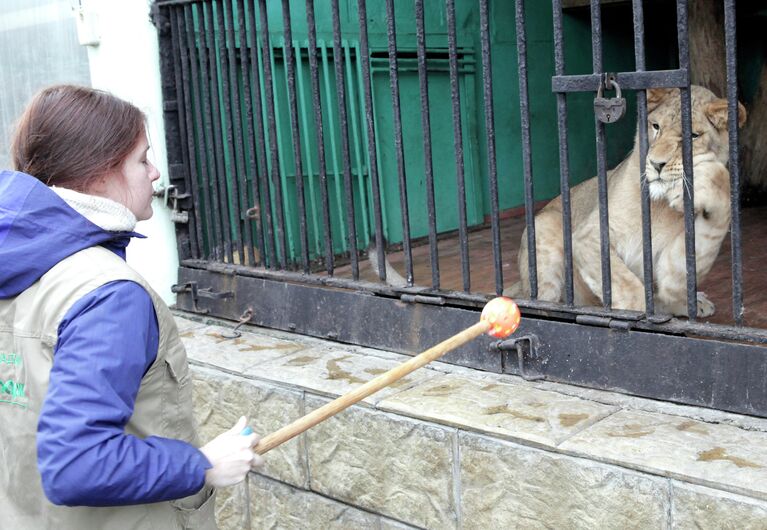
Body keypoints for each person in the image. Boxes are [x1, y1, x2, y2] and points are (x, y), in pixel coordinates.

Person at [0, 84, 263, 529]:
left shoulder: (19, 263)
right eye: (142, 159)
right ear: (101, 172)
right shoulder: (106, 292)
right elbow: (77, 464)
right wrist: (201, 465)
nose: (156, 172)